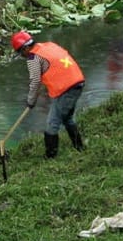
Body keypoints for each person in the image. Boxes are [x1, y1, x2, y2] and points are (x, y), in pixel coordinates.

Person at [11, 30, 85, 158]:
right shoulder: (49, 45)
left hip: (66, 88)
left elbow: (35, 82)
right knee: (67, 118)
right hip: (77, 82)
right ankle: (79, 147)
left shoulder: (33, 58)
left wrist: (31, 101)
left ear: (26, 48)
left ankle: (50, 156)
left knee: (52, 123)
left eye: (20, 52)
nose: (22, 56)